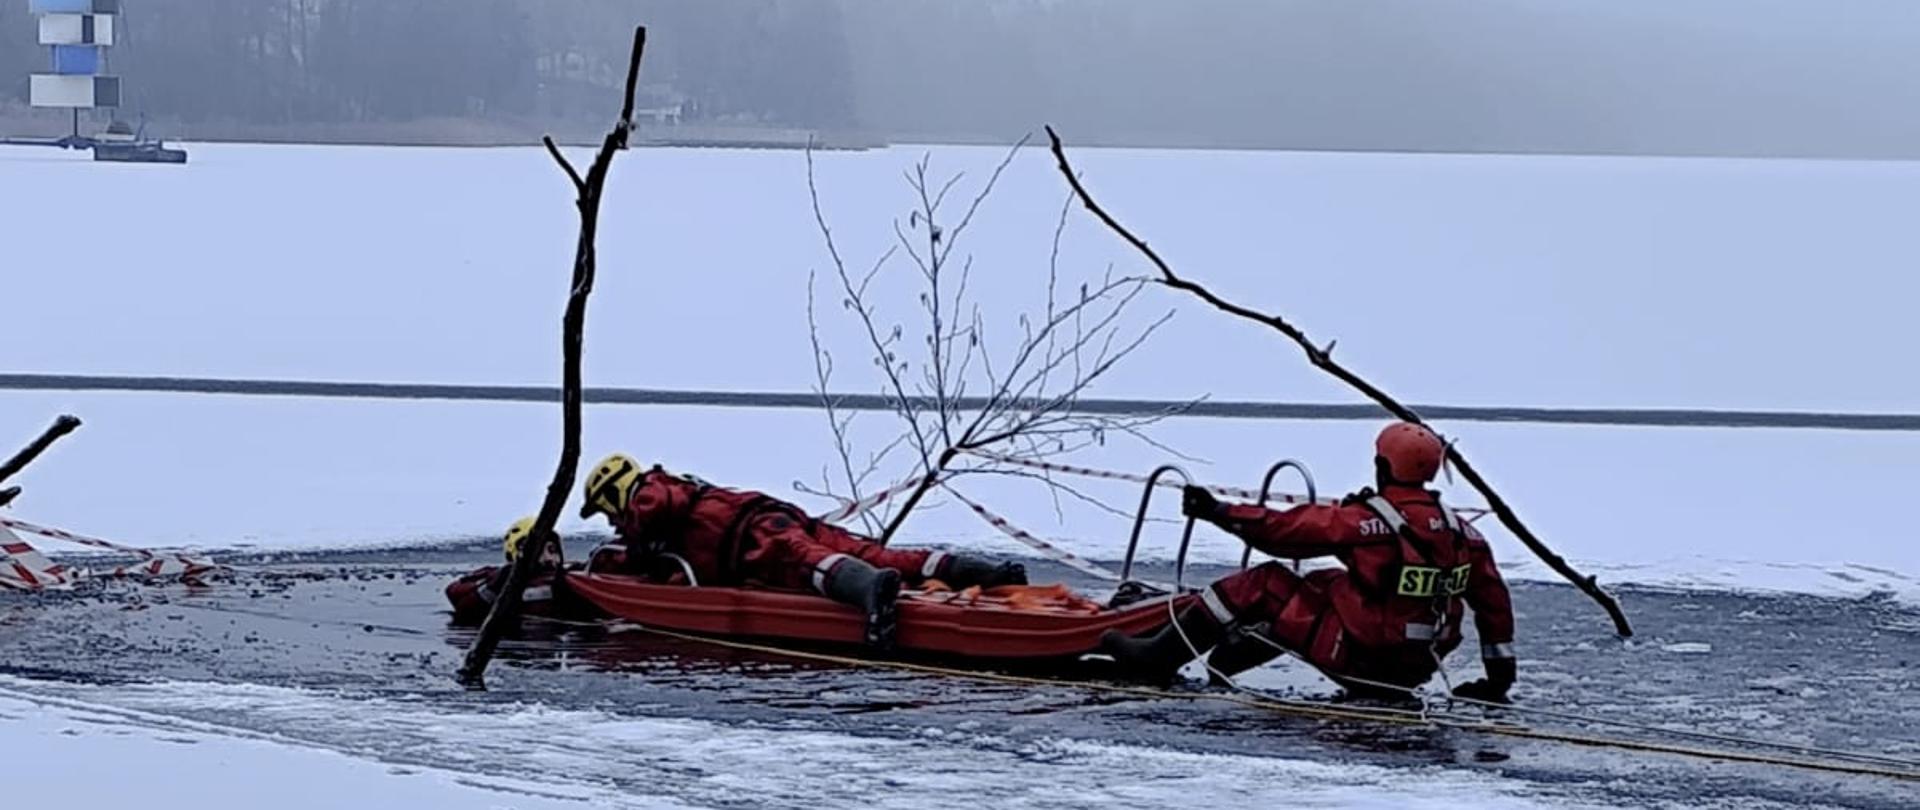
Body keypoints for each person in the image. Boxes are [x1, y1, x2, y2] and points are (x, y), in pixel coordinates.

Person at [1100, 422, 1518, 703]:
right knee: (1329, 581)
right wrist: (1498, 681)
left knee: (1264, 583)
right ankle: (1231, 657)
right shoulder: (1461, 531)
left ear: (1381, 466)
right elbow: (1494, 602)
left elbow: (1287, 532)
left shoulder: (1365, 521)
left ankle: (1158, 657)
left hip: (1361, 662)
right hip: (1413, 667)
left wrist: (1219, 512)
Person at [577, 453, 1029, 649]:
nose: (613, 523)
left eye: (608, 512)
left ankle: (870, 592)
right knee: (873, 551)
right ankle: (985, 573)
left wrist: (632, 548)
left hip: (753, 537)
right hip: (769, 515)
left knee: (809, 562)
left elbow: (652, 513)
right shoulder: (677, 484)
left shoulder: (651, 494)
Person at [445, 516, 587, 625]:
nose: (548, 558)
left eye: (552, 550)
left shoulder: (573, 575)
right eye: (537, 550)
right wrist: (498, 584)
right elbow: (456, 594)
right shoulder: (499, 577)